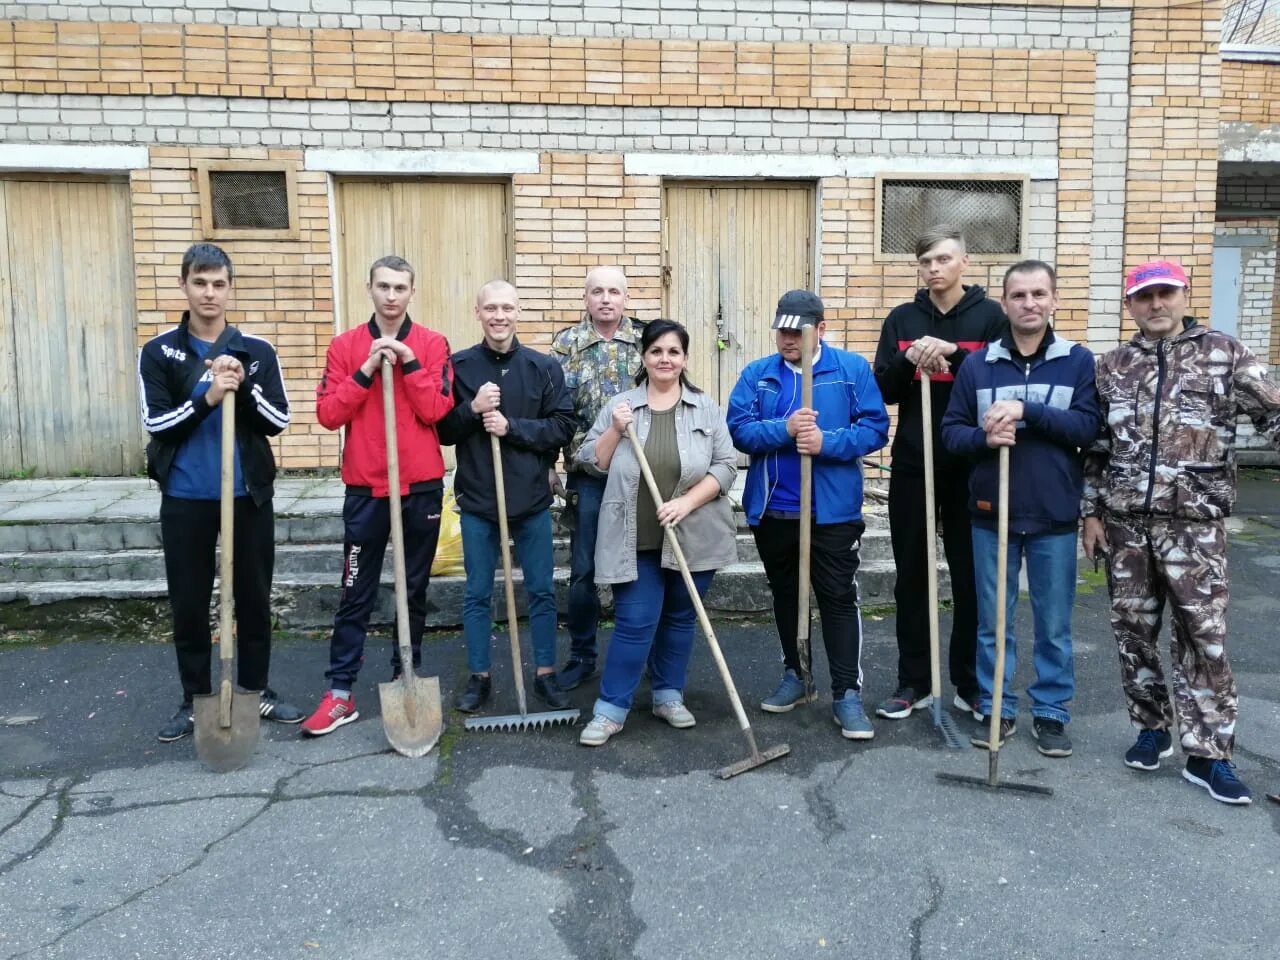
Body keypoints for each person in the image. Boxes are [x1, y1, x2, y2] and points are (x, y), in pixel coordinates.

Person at [1082, 260, 1280, 805]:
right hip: (1125, 527)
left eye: (1165, 294)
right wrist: (1091, 513)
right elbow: (1097, 447)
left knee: (1204, 638)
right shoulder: (1113, 366)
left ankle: (1210, 755)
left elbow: (1274, 415)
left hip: (1195, 527)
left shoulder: (1224, 353)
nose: (1156, 305)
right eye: (1144, 298)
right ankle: (1151, 729)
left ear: (1183, 295)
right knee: (1133, 632)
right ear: (1130, 305)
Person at [138, 242, 301, 742]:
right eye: (200, 283)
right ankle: (194, 699)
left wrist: (242, 386)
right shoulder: (160, 351)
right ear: (184, 286)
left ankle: (255, 690)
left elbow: (278, 420)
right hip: (187, 497)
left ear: (230, 289)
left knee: (252, 597)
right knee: (189, 602)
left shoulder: (256, 351)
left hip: (246, 496)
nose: (210, 293)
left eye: (219, 283)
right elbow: (157, 423)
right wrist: (209, 395)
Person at [940, 260, 1100, 757]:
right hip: (993, 512)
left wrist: (1029, 411)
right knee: (994, 622)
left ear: (1053, 300)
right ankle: (997, 708)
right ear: (1004, 303)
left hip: (1052, 514)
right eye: (1018, 296)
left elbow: (1087, 429)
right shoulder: (979, 365)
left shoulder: (1077, 360)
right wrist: (986, 438)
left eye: (1038, 294)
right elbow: (951, 433)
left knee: (1053, 624)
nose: (1029, 304)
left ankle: (1051, 713)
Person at [726, 291, 890, 739]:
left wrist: (826, 442)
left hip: (831, 511)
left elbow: (876, 428)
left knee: (837, 596)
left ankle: (846, 693)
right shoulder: (759, 375)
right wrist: (785, 429)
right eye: (780, 330)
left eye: (795, 330)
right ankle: (797, 675)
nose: (786, 339)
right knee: (786, 594)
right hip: (776, 508)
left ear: (820, 328)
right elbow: (738, 430)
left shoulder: (850, 370)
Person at [301, 255, 454, 736]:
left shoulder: (431, 344)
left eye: (401, 288)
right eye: (383, 286)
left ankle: (404, 676)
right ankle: (340, 692)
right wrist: (367, 370)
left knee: (413, 590)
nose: (392, 296)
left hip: (420, 487)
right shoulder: (346, 346)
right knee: (355, 590)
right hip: (367, 487)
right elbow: (328, 415)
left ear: (412, 292)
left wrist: (408, 365)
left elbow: (436, 411)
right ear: (369, 289)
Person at [574, 320, 738, 747]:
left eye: (674, 352)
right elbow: (591, 462)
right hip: (635, 536)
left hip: (693, 532)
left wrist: (686, 502)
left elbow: (726, 465)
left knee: (681, 619)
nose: (665, 359)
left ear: (684, 359)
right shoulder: (621, 405)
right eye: (656, 351)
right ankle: (610, 710)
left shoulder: (705, 408)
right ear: (643, 358)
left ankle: (668, 695)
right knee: (635, 620)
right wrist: (614, 428)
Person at [873, 225, 1008, 723]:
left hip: (972, 464)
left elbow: (1000, 374)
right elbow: (884, 390)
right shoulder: (903, 318)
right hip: (913, 462)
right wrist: (909, 359)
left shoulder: (992, 318)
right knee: (912, 573)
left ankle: (968, 683)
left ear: (964, 263)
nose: (934, 268)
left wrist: (956, 354)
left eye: (943, 259)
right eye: (926, 260)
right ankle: (914, 682)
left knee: (972, 577)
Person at [437, 280, 577, 713]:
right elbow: (442, 430)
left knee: (541, 591)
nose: (499, 316)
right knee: (478, 593)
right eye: (491, 308)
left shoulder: (543, 367)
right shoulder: (458, 367)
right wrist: (473, 409)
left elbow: (562, 426)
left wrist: (510, 427)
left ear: (518, 313)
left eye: (508, 308)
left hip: (531, 498)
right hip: (479, 500)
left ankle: (545, 675)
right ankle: (479, 676)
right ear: (477, 312)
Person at [550, 266, 648, 689]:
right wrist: (548, 468)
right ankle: (583, 654)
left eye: (614, 292)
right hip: (587, 473)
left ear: (626, 298)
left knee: (644, 567)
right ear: (586, 299)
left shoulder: (647, 340)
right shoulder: (566, 345)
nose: (605, 299)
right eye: (597, 292)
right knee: (584, 570)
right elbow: (553, 410)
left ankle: (643, 656)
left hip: (642, 471)